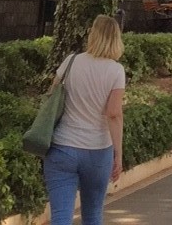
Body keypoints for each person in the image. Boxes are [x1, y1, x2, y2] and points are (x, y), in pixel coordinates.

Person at [42, 15, 125, 225]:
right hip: (98, 151)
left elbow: (52, 94)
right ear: (116, 39)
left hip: (62, 147)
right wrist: (118, 154)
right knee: (93, 214)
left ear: (93, 35)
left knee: (61, 216)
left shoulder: (70, 62)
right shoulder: (116, 71)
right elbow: (113, 114)